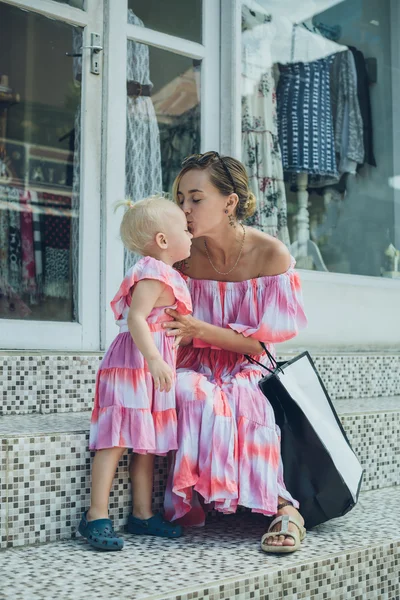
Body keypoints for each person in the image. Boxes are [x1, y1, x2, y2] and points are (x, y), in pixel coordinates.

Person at [162, 152, 308, 554]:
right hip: (194, 361)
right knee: (191, 391)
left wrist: (200, 330)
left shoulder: (270, 254)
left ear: (229, 202)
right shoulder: (182, 255)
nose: (184, 209)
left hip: (250, 363)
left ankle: (284, 507)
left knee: (243, 397)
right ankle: (205, 498)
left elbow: (260, 344)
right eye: (180, 199)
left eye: (196, 198)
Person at [79, 195, 193, 551]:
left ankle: (142, 514)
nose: (190, 235)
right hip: (135, 364)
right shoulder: (152, 271)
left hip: (153, 366)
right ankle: (96, 514)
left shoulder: (168, 273)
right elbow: (136, 318)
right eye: (185, 230)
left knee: (147, 443)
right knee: (116, 439)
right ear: (162, 240)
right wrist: (155, 358)